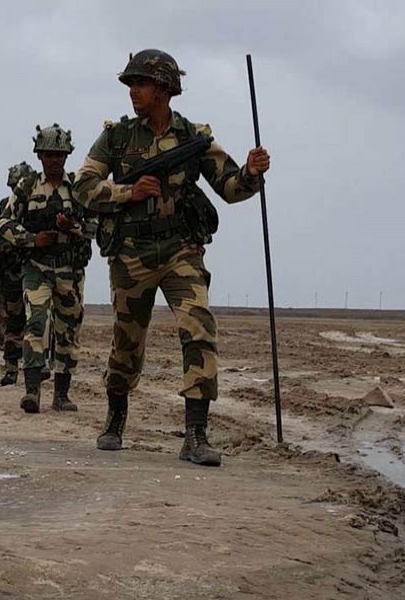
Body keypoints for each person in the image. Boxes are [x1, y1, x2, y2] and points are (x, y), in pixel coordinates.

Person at [72, 49, 270, 466]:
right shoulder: (117, 138)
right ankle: (115, 420)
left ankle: (196, 435)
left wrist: (252, 172)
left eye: (139, 84)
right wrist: (129, 192)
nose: (132, 92)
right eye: (130, 84)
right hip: (131, 253)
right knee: (128, 343)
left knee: (198, 329)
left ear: (163, 89)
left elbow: (231, 188)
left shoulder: (193, 139)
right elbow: (83, 187)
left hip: (181, 249)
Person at [0, 124, 96, 414]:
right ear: (40, 156)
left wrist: (73, 227)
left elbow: (96, 228)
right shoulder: (27, 187)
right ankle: (32, 391)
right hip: (37, 267)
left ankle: (62, 395)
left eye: (60, 155)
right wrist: (31, 239)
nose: (55, 159)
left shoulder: (78, 187)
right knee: (37, 323)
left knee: (68, 330)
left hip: (70, 269)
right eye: (49, 154)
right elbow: (4, 223)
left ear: (67, 157)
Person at [0, 162, 35, 385]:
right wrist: (12, 245)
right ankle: (11, 368)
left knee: (39, 322)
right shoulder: (0, 210)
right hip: (11, 275)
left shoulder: (39, 209)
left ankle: (36, 367)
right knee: (14, 323)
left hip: (38, 272)